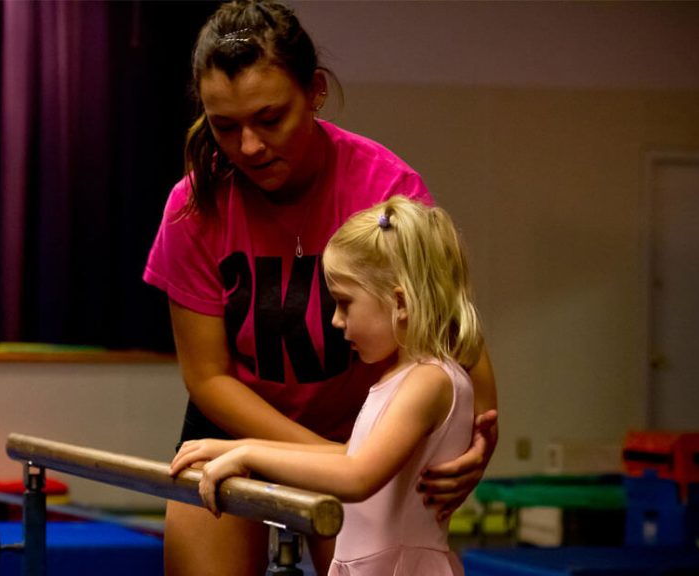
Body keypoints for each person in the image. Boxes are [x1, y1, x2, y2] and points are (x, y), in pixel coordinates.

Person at [143, 2, 498, 574]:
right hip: (238, 421)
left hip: (363, 423)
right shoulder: (194, 206)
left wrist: (477, 439)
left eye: (270, 118)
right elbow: (207, 376)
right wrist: (309, 456)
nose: (250, 147)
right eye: (225, 126)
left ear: (314, 92)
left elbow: (449, 331)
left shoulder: (383, 188)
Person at [171, 196, 481, 576]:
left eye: (345, 304)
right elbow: (346, 455)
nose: (336, 321)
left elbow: (357, 477)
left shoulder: (430, 380)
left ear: (399, 302)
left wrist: (249, 457)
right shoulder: (398, 378)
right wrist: (239, 446)